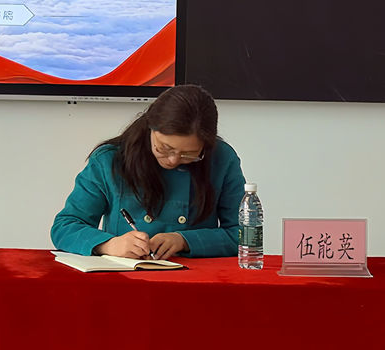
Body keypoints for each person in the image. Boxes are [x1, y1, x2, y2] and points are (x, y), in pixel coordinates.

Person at [51, 84, 245, 260]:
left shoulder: (222, 159)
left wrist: (185, 240)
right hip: (124, 276)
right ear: (150, 127)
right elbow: (65, 226)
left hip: (197, 277)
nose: (173, 160)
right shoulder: (110, 160)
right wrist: (109, 245)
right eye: (164, 148)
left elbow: (244, 235)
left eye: (188, 154)